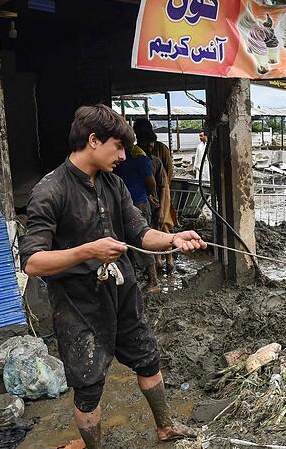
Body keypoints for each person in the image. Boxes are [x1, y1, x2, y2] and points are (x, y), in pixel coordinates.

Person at [20, 104, 205, 448]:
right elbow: (33, 263)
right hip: (78, 304)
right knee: (88, 385)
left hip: (122, 292)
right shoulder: (51, 190)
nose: (123, 155)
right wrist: (88, 251)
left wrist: (173, 239)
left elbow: (140, 233)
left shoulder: (114, 184)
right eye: (117, 147)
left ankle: (165, 427)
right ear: (93, 140)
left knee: (148, 357)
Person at [113, 140, 161, 292]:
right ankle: (132, 281)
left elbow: (151, 182)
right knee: (127, 244)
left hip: (138, 203)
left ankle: (153, 280)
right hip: (123, 203)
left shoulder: (137, 155)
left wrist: (149, 194)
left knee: (142, 240)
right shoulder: (131, 155)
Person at [133, 118, 176, 273]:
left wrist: (160, 190)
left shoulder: (158, 150)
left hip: (160, 191)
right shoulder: (136, 152)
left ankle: (169, 260)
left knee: (162, 223)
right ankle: (158, 261)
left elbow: (168, 173)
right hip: (149, 194)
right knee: (152, 227)